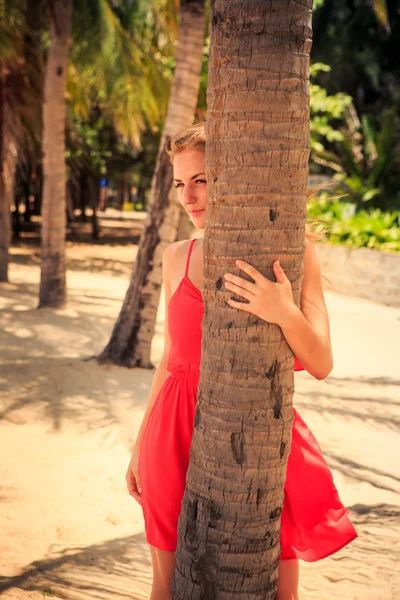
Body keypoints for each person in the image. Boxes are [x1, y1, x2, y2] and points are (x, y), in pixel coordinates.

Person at [126, 123, 357, 600]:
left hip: (256, 434)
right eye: (179, 183)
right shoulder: (176, 256)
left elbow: (322, 361)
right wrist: (139, 444)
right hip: (170, 430)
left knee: (278, 591)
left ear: (232, 174)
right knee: (167, 588)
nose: (188, 197)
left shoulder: (293, 251)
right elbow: (170, 358)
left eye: (202, 179)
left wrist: (282, 310)